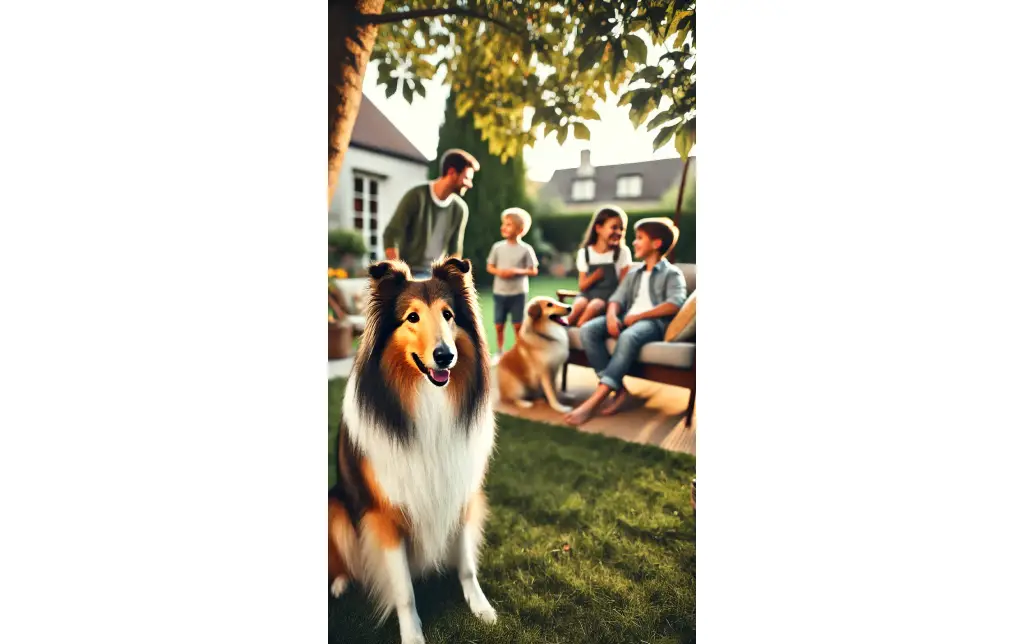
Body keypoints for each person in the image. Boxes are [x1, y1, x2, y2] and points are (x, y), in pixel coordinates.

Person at [563, 217, 686, 426]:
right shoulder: (634, 272)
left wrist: (639, 316)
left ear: (656, 244)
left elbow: (675, 303)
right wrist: (611, 316)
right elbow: (616, 299)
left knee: (629, 336)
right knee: (588, 330)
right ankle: (619, 390)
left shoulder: (672, 273)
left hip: (653, 324)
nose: (634, 242)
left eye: (639, 238)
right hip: (625, 318)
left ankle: (594, 402)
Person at [383, 148, 480, 278]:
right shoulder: (416, 196)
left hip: (436, 275)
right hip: (410, 272)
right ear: (451, 172)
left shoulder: (460, 209)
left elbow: (455, 250)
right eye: (467, 178)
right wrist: (399, 275)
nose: (470, 185)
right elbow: (391, 235)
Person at [565, 205, 633, 327]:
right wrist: (595, 276)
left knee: (594, 305)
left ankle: (581, 327)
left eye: (622, 229)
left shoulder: (622, 253)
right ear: (598, 228)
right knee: (579, 304)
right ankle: (562, 328)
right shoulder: (585, 253)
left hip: (608, 297)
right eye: (614, 227)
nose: (618, 232)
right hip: (587, 294)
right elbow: (582, 286)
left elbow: (624, 286)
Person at [486, 207, 539, 359]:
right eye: (503, 224)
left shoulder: (526, 249)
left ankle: (519, 352)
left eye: (508, 224)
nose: (503, 227)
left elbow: (533, 270)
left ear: (520, 229)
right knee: (499, 325)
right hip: (500, 292)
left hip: (518, 293)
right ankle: (499, 351)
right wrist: (499, 272)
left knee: (518, 325)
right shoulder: (497, 247)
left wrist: (516, 271)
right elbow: (490, 267)